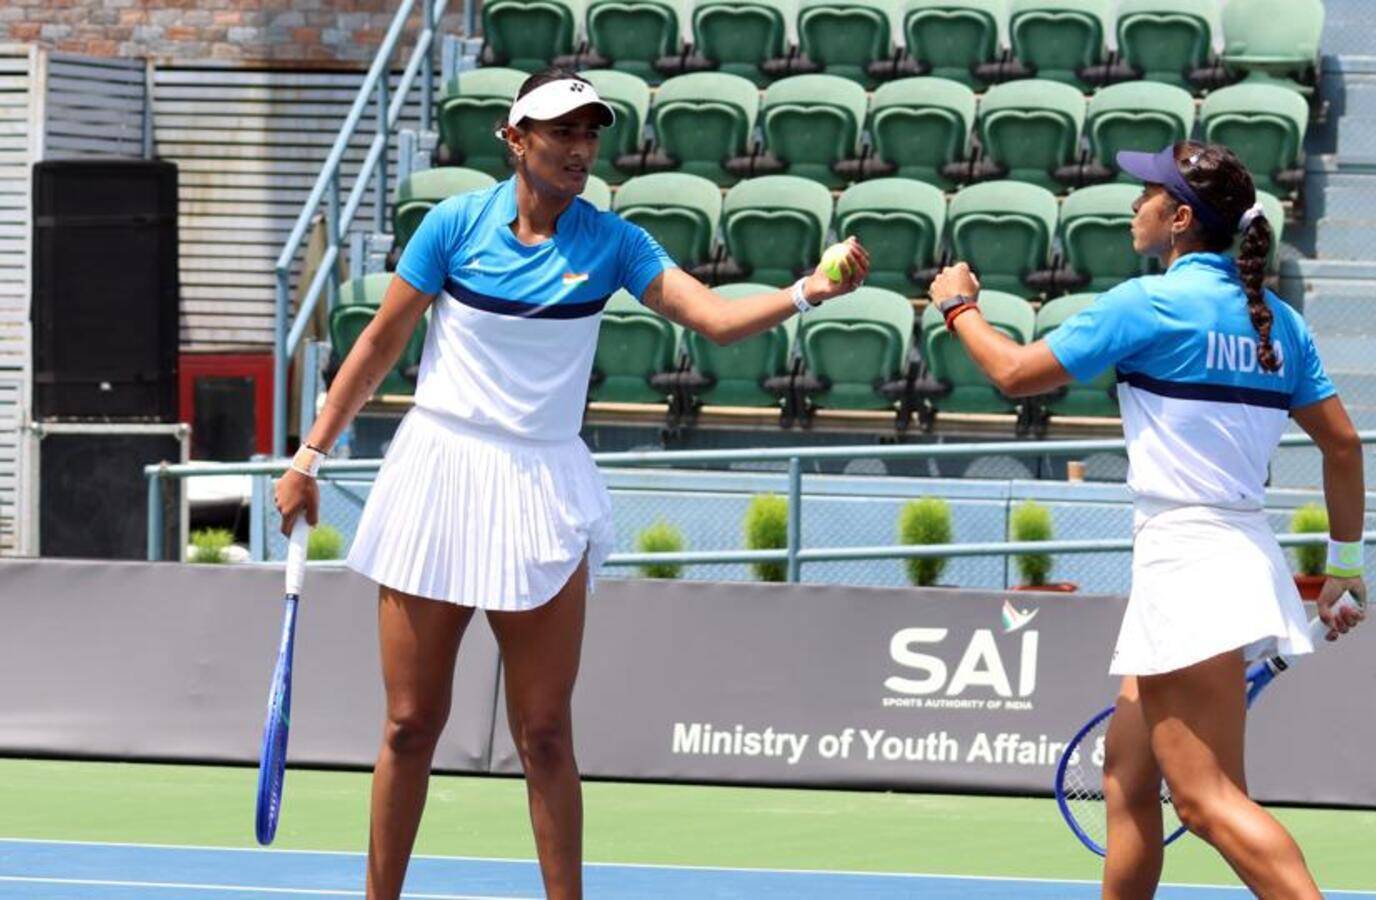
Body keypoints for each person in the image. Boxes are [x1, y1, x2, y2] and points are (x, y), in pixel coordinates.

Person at [273, 67, 870, 900]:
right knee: (410, 725)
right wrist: (309, 456)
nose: (580, 148)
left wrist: (810, 291)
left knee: (546, 733)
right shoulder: (453, 226)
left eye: (590, 133)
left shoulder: (614, 242)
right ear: (516, 139)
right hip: (439, 474)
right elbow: (377, 348)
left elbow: (715, 320)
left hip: (542, 482)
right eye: (562, 131)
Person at [927, 141, 1366, 899]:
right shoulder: (1280, 323)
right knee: (1127, 774)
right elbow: (1344, 446)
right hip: (1233, 555)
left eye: (1149, 193)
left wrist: (958, 305)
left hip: (1187, 565)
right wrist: (1345, 567)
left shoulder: (1148, 304)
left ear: (1180, 219)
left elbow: (1013, 373)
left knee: (1206, 801)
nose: (1136, 204)